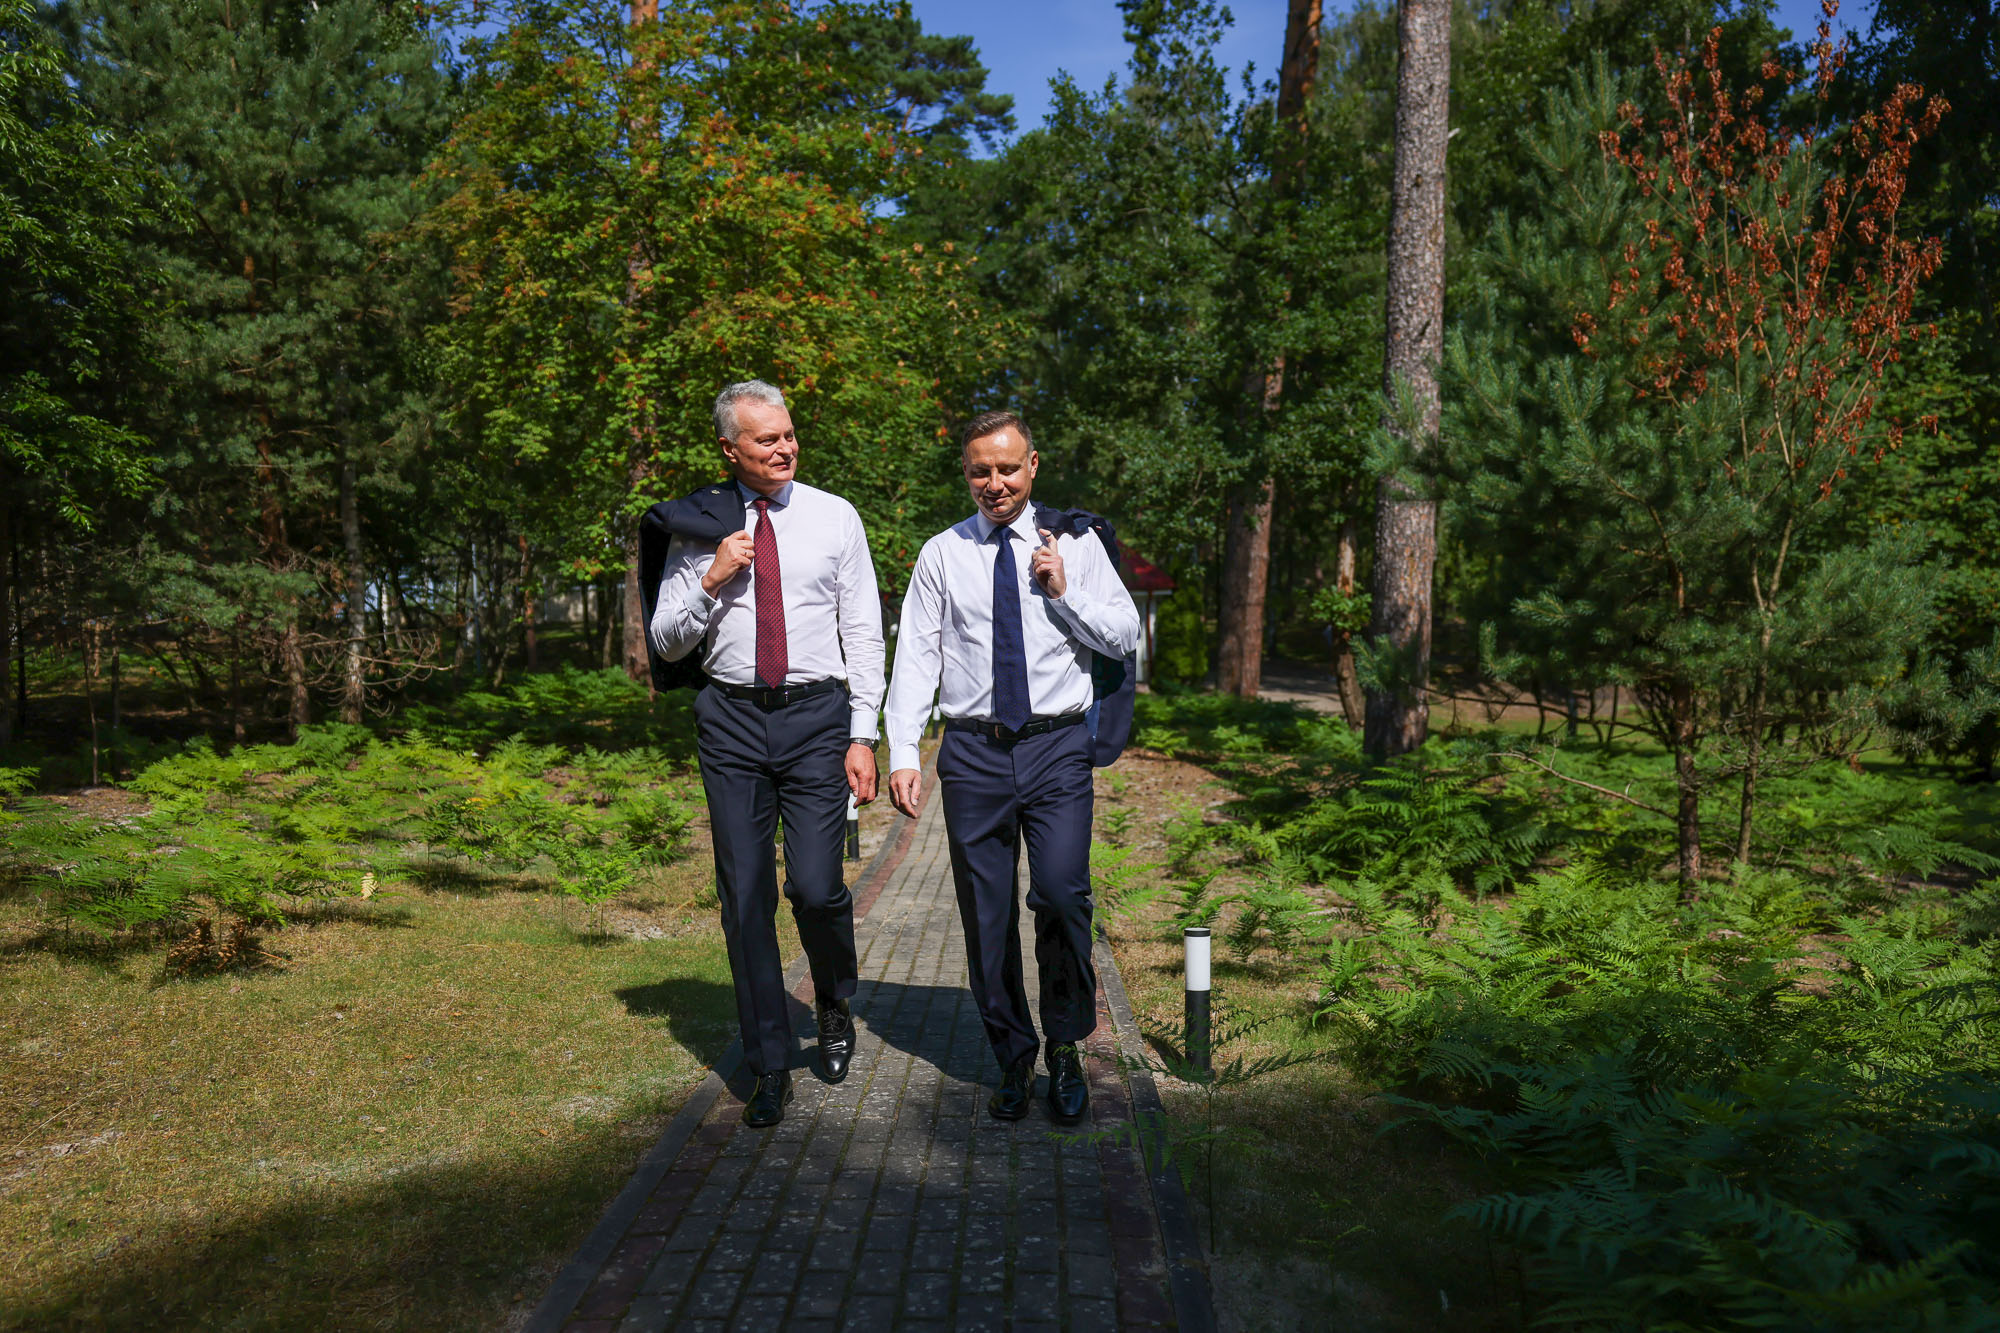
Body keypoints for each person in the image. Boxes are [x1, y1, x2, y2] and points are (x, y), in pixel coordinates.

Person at [884, 410, 1140, 1123]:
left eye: (1006, 468)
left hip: (1057, 746)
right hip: (972, 752)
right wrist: (904, 752)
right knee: (985, 912)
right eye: (979, 471)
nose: (993, 483)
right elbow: (917, 658)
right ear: (966, 474)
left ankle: (1064, 1044)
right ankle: (1012, 1054)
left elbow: (1125, 635)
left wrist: (1066, 590)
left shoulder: (1078, 544)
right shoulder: (942, 552)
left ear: (1034, 466)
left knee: (1060, 893)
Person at [650, 380, 885, 1128]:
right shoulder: (699, 530)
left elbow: (865, 631)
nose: (783, 448)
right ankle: (770, 1061)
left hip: (817, 717)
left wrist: (863, 732)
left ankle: (835, 998)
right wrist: (711, 579)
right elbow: (665, 640)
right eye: (765, 440)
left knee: (815, 887)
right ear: (730, 449)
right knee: (745, 894)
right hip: (730, 721)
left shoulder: (833, 516)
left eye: (788, 434)